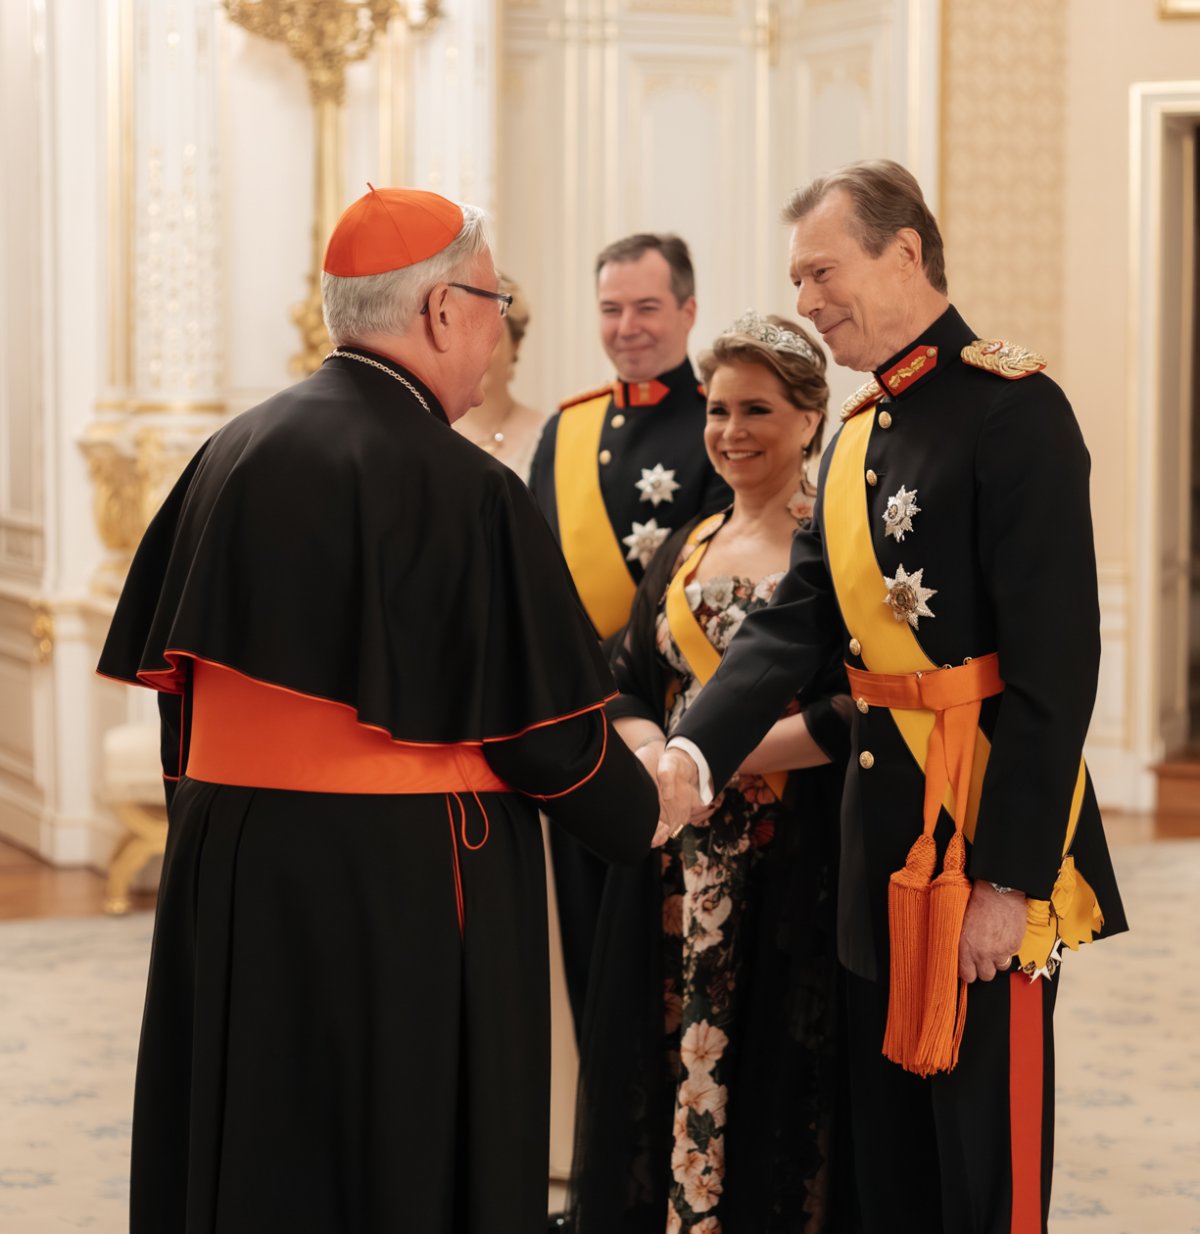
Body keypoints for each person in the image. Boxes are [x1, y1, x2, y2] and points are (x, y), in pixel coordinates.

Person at [97, 186, 664, 1234]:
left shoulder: (230, 452)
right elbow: (541, 740)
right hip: (405, 875)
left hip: (231, 856)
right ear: (443, 310)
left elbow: (182, 694)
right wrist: (641, 809)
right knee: (398, 1154)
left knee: (254, 1129)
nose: (499, 326)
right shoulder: (466, 486)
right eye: (495, 299)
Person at [655, 161, 1127, 1234]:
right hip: (882, 853)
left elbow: (1058, 674)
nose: (808, 302)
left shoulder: (1016, 413)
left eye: (823, 273)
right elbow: (797, 622)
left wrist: (1010, 881)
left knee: (980, 1167)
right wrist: (693, 753)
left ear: (904, 252)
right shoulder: (863, 432)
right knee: (892, 1166)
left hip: (983, 848)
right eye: (797, 279)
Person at [569, 313, 851, 1233]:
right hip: (672, 870)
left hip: (791, 862)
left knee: (781, 1071)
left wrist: (721, 758)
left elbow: (859, 713)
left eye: (757, 409)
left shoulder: (839, 550)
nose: (731, 432)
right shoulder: (686, 542)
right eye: (718, 410)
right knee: (661, 1065)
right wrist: (658, 751)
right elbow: (625, 680)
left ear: (811, 416)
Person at [529, 232, 732, 1035]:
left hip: (682, 721)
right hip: (583, 726)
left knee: (684, 958)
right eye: (611, 309)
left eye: (647, 307)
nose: (627, 327)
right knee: (596, 956)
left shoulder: (721, 418)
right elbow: (540, 577)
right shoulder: (569, 429)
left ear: (687, 310)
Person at [452, 273, 547, 482]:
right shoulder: (430, 432)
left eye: (488, 336)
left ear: (516, 344)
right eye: (462, 334)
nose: (473, 352)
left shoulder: (548, 433)